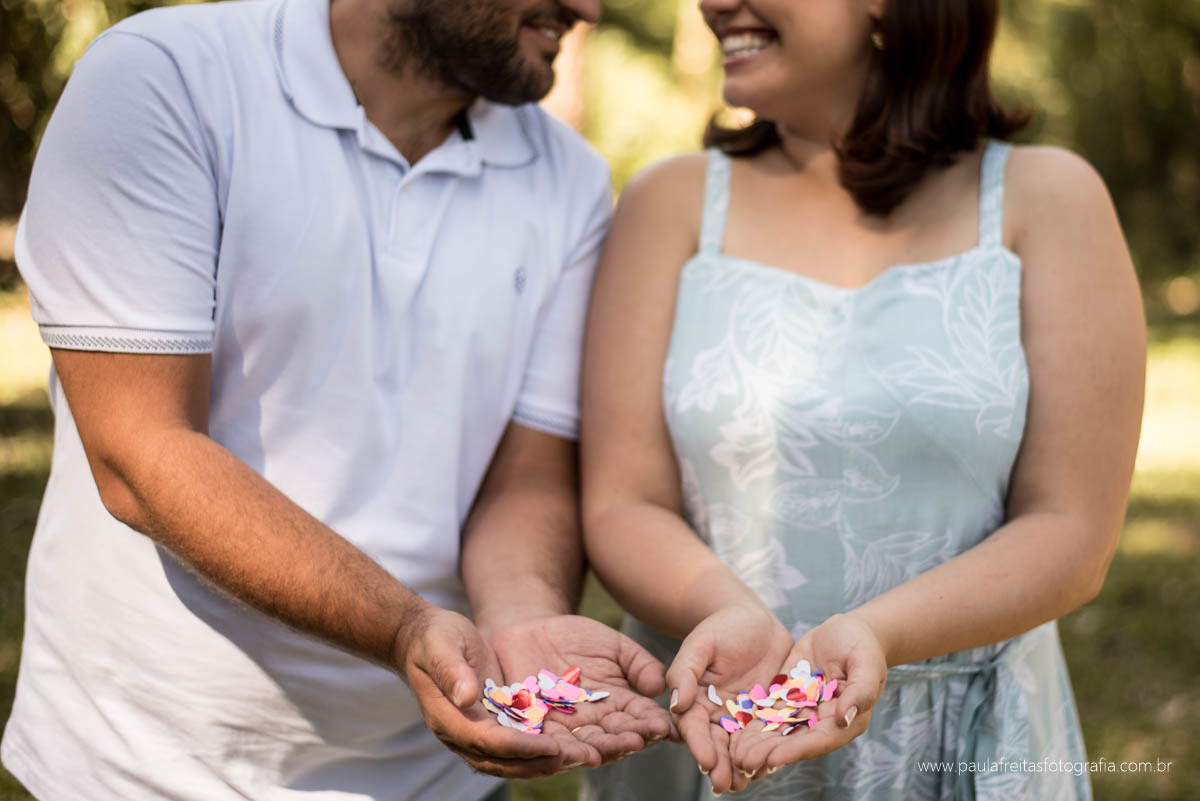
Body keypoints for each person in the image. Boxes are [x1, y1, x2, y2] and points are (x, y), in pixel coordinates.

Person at [1, 0, 675, 799]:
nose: (589, 8)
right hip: (139, 764)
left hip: (430, 774)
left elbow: (524, 476)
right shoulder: (164, 79)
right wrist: (403, 628)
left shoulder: (570, 181)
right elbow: (142, 451)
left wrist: (520, 618)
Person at [579, 0, 1145, 798]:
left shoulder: (1048, 199)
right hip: (720, 730)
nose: (711, 3)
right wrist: (728, 613)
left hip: (961, 742)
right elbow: (621, 500)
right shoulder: (667, 204)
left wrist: (878, 634)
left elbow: (1073, 527)